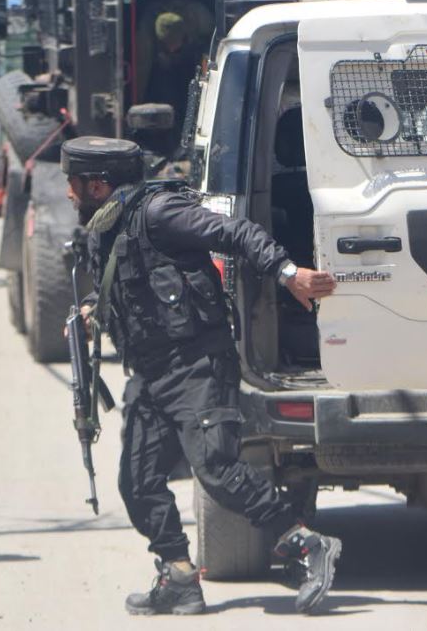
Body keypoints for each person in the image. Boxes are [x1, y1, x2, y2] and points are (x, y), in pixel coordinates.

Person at [60, 136, 341, 616]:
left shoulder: (158, 213)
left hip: (197, 364)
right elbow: (120, 287)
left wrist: (288, 273)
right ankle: (178, 577)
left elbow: (236, 232)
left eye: (74, 183)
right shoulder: (106, 226)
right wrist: (92, 309)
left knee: (217, 470)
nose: (68, 193)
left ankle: (307, 545)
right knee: (138, 481)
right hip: (151, 374)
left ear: (98, 185)